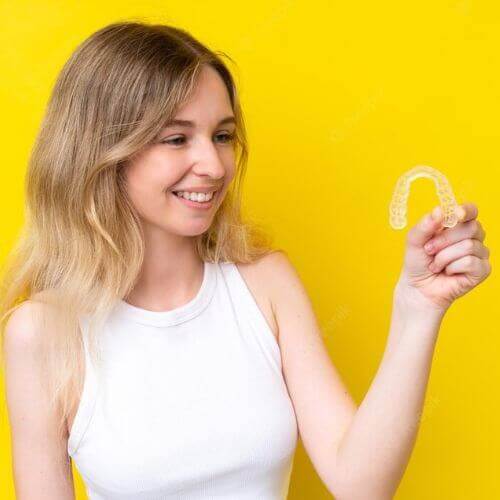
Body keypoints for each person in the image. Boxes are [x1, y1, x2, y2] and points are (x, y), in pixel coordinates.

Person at [1, 21, 491, 500]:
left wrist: (418, 309)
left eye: (222, 136)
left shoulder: (265, 284)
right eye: (176, 139)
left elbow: (360, 483)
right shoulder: (41, 332)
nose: (214, 166)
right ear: (102, 151)